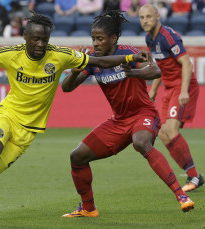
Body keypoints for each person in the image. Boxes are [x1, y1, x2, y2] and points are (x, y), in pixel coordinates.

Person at [0, 11, 147, 222]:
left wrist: (129, 58)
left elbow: (98, 61)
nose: (40, 44)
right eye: (35, 38)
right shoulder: (10, 54)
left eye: (44, 39)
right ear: (25, 37)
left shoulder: (60, 56)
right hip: (5, 116)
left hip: (29, 131)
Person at [61, 9, 195, 218]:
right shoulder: (93, 60)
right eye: (93, 39)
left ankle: (181, 196)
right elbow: (67, 88)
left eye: (100, 39)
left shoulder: (128, 52)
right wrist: (77, 70)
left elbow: (155, 70)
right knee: (77, 156)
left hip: (143, 114)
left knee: (141, 142)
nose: (95, 43)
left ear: (113, 38)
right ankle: (88, 208)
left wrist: (134, 72)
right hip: (118, 121)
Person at [139, 4, 203, 192]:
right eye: (142, 18)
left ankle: (193, 177)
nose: (145, 21)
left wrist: (184, 91)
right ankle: (194, 175)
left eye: (149, 17)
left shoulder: (168, 37)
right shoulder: (149, 39)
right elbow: (160, 66)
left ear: (158, 16)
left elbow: (187, 63)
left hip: (182, 86)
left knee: (172, 130)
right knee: (165, 134)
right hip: (168, 88)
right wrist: (154, 89)